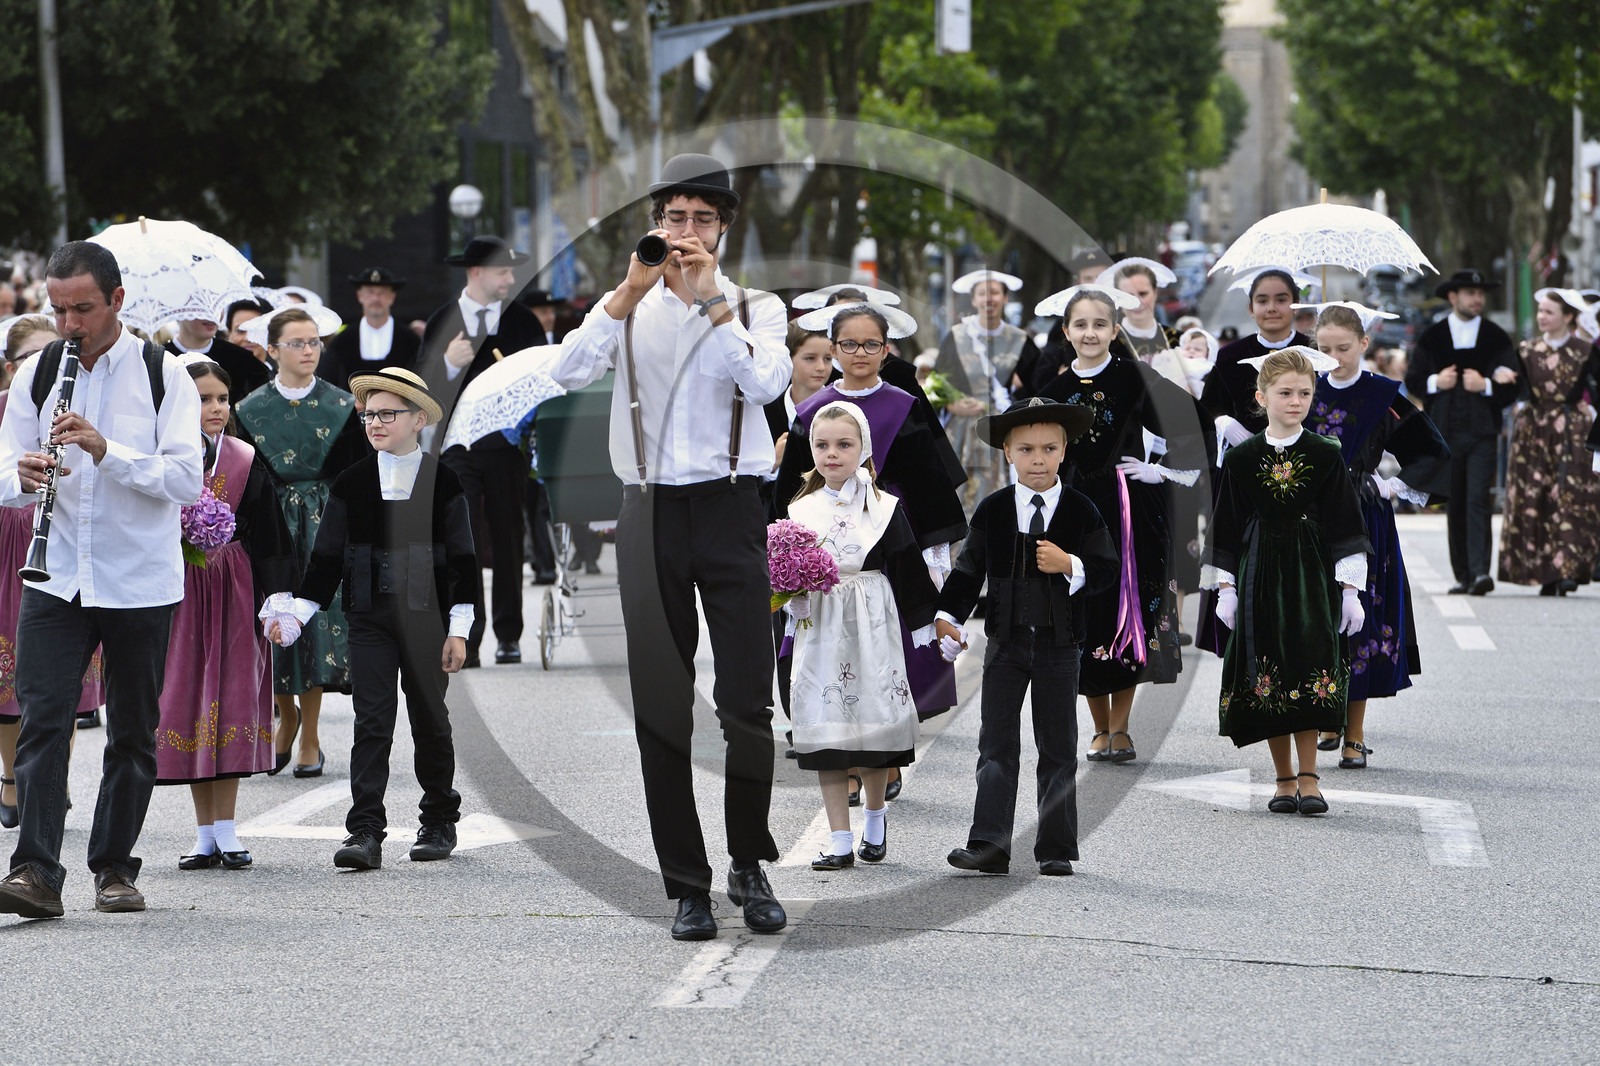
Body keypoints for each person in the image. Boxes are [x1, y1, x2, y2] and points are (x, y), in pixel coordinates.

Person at [552, 153, 789, 941]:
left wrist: (713, 303)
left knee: (748, 705)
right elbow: (566, 371)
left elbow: (761, 388)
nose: (685, 234)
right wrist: (626, 294)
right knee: (662, 713)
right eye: (673, 219)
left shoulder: (757, 307)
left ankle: (748, 865)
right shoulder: (627, 308)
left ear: (724, 228)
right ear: (654, 225)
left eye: (701, 220)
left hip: (730, 509)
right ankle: (686, 884)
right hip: (648, 511)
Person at [0, 241, 203, 919]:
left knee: (132, 730)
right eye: (57, 309)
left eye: (82, 308)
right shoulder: (37, 371)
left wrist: (105, 450)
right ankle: (34, 871)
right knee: (43, 721)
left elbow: (183, 479)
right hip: (55, 572)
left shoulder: (161, 374)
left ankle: (115, 867)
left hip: (139, 577)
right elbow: (3, 466)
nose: (68, 324)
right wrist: (18, 477)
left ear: (116, 302)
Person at [263, 367, 476, 870]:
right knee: (372, 722)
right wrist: (297, 613)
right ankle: (364, 830)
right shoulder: (352, 481)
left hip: (427, 618)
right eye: (368, 415)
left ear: (418, 418)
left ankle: (439, 818)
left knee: (430, 719)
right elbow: (327, 559)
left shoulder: (443, 479)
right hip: (369, 618)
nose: (375, 422)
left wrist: (459, 630)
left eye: (387, 413)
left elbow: (464, 561)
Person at [936, 398, 1118, 876]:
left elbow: (1108, 571)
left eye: (1049, 448)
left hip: (1061, 646)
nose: (1038, 459)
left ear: (1063, 452)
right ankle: (989, 842)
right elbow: (967, 569)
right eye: (1026, 449)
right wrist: (946, 616)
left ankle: (1056, 846)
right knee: (996, 744)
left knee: (1057, 747)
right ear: (1008, 454)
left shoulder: (1083, 511)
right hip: (1006, 644)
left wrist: (1071, 565)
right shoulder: (994, 510)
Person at [776, 302, 969, 736]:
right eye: (848, 343)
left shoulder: (904, 404)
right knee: (830, 642)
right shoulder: (814, 411)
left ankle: (888, 750)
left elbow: (929, 483)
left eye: (871, 344)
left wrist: (934, 554)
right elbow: (792, 488)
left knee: (890, 642)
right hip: (825, 540)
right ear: (833, 348)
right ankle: (836, 744)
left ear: (886, 350)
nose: (859, 352)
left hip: (891, 539)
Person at [1202, 347, 1370, 816]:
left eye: (1305, 392)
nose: (1295, 400)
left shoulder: (1325, 454)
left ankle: (1311, 778)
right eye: (1285, 392)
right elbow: (1227, 525)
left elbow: (1344, 522)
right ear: (1262, 396)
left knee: (1312, 663)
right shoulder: (1242, 458)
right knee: (1268, 671)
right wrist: (1226, 589)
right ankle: (1283, 778)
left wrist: (1351, 591)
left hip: (1311, 576)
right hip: (1258, 575)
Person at [1038, 286, 1196, 762]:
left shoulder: (1135, 377)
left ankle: (1122, 727)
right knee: (1083, 613)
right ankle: (1098, 725)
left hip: (1130, 509)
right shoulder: (1052, 392)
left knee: (1129, 607)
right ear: (1067, 332)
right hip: (1073, 512)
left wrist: (1161, 468)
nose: (1090, 333)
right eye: (1081, 325)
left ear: (1115, 330)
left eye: (1100, 324)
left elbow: (1189, 421)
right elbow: (1031, 451)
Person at [783, 401, 939, 870]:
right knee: (828, 733)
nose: (833, 453)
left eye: (844, 445)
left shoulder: (884, 507)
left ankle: (874, 819)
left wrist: (932, 626)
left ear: (863, 449)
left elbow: (909, 569)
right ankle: (838, 838)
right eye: (822, 445)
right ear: (811, 450)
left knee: (871, 728)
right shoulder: (799, 507)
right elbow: (782, 574)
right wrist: (786, 595)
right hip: (821, 623)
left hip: (870, 619)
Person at [156, 360, 296, 870]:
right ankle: (202, 834)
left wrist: (277, 602)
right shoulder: (162, 458)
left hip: (235, 589)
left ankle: (229, 828)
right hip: (179, 590)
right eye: (202, 400)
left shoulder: (243, 459)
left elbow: (270, 537)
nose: (215, 409)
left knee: (234, 694)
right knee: (190, 697)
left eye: (221, 398)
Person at [1309, 305, 1450, 767]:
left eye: (1343, 348)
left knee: (1359, 623)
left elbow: (1432, 450)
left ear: (1364, 344)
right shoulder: (1303, 387)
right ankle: (1321, 716)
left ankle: (1354, 733)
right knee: (1312, 620)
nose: (1333, 358)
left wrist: (1395, 483)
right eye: (1323, 349)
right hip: (1307, 520)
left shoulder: (1381, 394)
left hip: (1363, 520)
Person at [235, 306, 366, 777]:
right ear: (272, 350)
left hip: (326, 522)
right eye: (297, 343)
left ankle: (309, 733)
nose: (309, 350)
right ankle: (284, 714)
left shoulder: (343, 405)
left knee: (315, 625)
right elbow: (246, 475)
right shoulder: (248, 410)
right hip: (270, 526)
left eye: (314, 342)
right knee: (272, 621)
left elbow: (356, 471)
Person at [0, 317, 107, 830]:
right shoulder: (9, 408)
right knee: (8, 675)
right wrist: (15, 476)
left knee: (56, 684)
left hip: (59, 545)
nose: (47, 363)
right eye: (31, 357)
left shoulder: (83, 405)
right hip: (6, 539)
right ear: (12, 367)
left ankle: (51, 780)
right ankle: (11, 775)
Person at [418, 236, 545, 666]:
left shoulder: (523, 321)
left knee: (509, 535)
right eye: (502, 271)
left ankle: (509, 634)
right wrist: (449, 364)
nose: (510, 279)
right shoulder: (442, 320)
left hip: (508, 444)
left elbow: (542, 376)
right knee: (462, 539)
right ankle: (465, 637)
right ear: (476, 273)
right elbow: (420, 387)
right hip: (456, 444)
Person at [1404, 269, 1519, 596]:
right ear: (1453, 297)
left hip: (1482, 432)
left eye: (1481, 293)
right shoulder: (1433, 336)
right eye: (1470, 292)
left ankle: (1481, 572)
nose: (1477, 299)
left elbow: (1513, 386)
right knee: (1454, 502)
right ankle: (1463, 575)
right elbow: (1413, 380)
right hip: (1444, 433)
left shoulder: (1496, 337)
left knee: (1478, 500)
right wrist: (1435, 382)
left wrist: (1484, 385)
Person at [1496, 287, 1600, 595]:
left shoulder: (1585, 349)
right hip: (1534, 431)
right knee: (1534, 497)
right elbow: (1519, 390)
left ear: (1568, 317)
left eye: (1548, 312)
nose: (1541, 316)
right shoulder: (1526, 350)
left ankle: (1568, 570)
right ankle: (1543, 572)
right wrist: (1503, 379)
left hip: (1572, 430)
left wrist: (1590, 407)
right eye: (1540, 311)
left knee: (1570, 499)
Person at [936, 269, 1041, 512]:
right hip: (962, 429)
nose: (988, 299)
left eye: (994, 292)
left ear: (1005, 298)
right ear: (974, 299)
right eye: (982, 293)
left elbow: (1035, 386)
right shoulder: (957, 336)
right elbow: (937, 382)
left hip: (1001, 425)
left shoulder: (1020, 339)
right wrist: (952, 404)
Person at [319, 267, 419, 392]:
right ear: (360, 296)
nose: (376, 299)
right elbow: (325, 384)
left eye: (382, 292)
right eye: (370, 292)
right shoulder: (343, 341)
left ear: (392, 297)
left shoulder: (410, 341)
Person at [166, 311, 270, 408]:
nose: (212, 315)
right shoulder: (161, 358)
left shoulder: (242, 358)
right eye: (202, 308)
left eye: (215, 306)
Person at [225, 297, 273, 365]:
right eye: (240, 331)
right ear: (229, 333)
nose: (248, 338)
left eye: (255, 331)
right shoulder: (215, 373)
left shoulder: (282, 373)